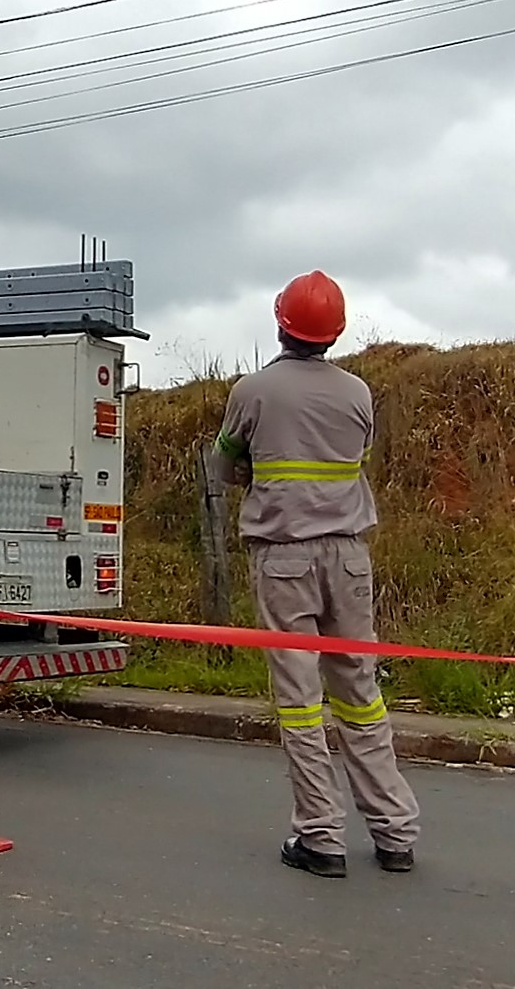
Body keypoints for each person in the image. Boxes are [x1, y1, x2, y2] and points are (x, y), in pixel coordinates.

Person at [207, 270, 420, 878]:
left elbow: (225, 465)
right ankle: (395, 831)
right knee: (361, 690)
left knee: (301, 702)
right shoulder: (357, 392)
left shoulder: (253, 391)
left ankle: (320, 836)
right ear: (336, 332)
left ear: (280, 322)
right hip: (350, 557)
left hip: (285, 559)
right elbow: (357, 459)